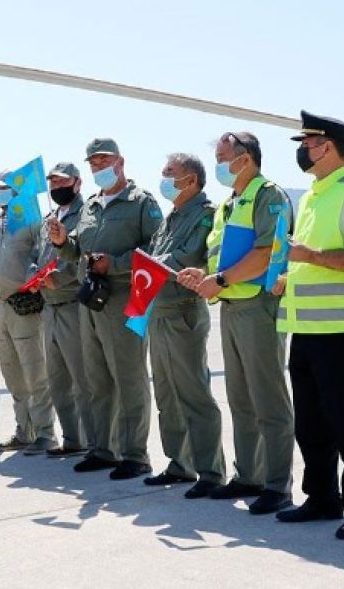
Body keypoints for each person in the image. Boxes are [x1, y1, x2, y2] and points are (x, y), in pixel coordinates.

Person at [269, 113, 344, 538]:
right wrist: (288, 276)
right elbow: (310, 258)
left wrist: (307, 258)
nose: (303, 150)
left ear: (328, 147)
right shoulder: (317, 194)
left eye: (309, 142)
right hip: (308, 331)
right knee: (312, 423)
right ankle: (321, 498)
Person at [179, 132, 295, 515]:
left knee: (268, 397)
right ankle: (249, 475)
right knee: (242, 397)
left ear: (245, 158)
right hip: (231, 305)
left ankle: (277, 485)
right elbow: (225, 255)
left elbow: (266, 254)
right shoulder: (231, 202)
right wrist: (207, 273)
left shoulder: (267, 195)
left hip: (258, 306)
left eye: (223, 157)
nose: (219, 164)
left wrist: (223, 279)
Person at [47, 138, 161, 481]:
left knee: (129, 378)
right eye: (93, 164)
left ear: (120, 162)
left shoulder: (141, 203)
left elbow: (155, 251)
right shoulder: (92, 206)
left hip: (125, 300)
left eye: (104, 161)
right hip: (92, 302)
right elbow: (77, 252)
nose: (98, 168)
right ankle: (104, 448)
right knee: (97, 379)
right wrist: (61, 243)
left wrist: (116, 263)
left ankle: (135, 454)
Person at [143, 153, 226, 499]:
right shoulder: (171, 218)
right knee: (167, 394)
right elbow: (154, 255)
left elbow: (187, 258)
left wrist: (144, 264)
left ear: (190, 180)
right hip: (159, 312)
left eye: (169, 174)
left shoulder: (205, 215)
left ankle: (210, 469)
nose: (163, 179)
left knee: (193, 393)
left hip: (183, 312)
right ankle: (180, 463)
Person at [0, 170, 56, 454]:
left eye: (3, 187)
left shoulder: (31, 218)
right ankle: (23, 430)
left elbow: (43, 253)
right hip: (0, 305)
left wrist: (30, 281)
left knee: (34, 371)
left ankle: (45, 433)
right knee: (12, 371)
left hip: (23, 304)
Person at [37, 162, 90, 457]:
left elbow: (80, 255)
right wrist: (36, 275)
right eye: (53, 183)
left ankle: (94, 442)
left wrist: (61, 277)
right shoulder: (50, 217)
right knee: (57, 380)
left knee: (82, 379)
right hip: (49, 306)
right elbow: (40, 253)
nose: (57, 188)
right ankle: (72, 440)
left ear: (77, 183)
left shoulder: (87, 214)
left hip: (72, 303)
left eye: (62, 182)